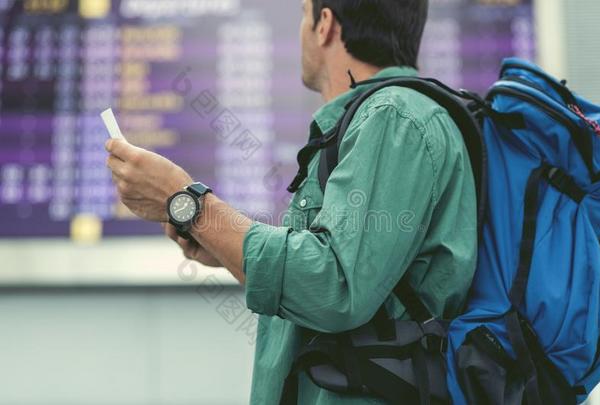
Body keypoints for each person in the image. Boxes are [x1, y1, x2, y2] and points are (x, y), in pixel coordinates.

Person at [105, 0, 477, 403]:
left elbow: (336, 287)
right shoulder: (379, 120)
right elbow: (328, 277)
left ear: (326, 25)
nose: (301, 27)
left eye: (304, 13)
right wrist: (221, 244)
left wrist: (189, 205)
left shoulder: (394, 119)